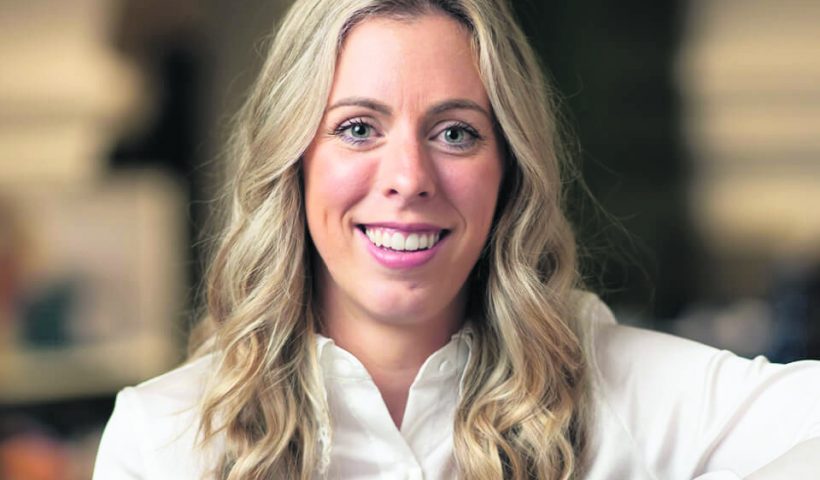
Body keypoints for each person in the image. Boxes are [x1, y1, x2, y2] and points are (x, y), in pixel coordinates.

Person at [93, 0, 820, 478]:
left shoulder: (625, 392)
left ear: (508, 171)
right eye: (357, 128)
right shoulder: (161, 441)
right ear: (295, 163)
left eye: (455, 133)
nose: (408, 178)